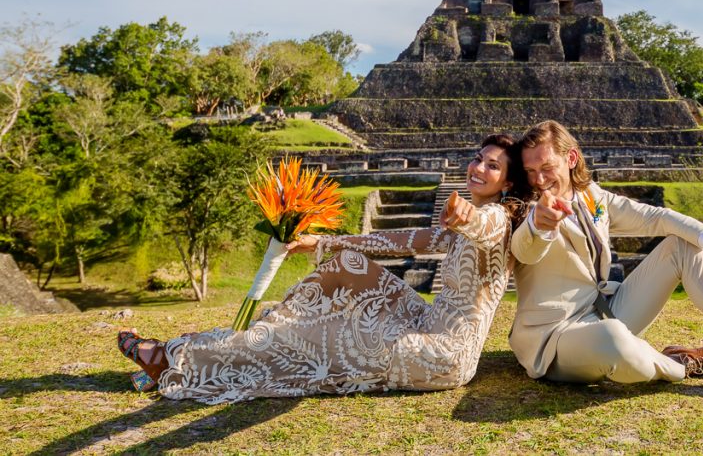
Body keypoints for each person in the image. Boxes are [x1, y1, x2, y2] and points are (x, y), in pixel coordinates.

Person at [117, 134, 528, 403]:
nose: (479, 168)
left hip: (444, 353)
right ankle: (253, 334)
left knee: (316, 343)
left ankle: (173, 356)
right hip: (425, 320)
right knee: (348, 263)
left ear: (508, 183)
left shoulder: (497, 220)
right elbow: (397, 241)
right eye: (478, 159)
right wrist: (320, 242)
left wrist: (465, 216)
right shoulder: (457, 228)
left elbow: (483, 225)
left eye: (493, 166)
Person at [509, 120, 703, 390]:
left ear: (571, 158)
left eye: (546, 167)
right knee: (613, 337)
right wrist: (539, 225)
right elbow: (524, 249)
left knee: (682, 245)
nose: (539, 179)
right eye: (530, 171)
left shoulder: (593, 197)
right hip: (557, 338)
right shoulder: (526, 207)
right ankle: (686, 362)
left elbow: (657, 218)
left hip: (605, 311)